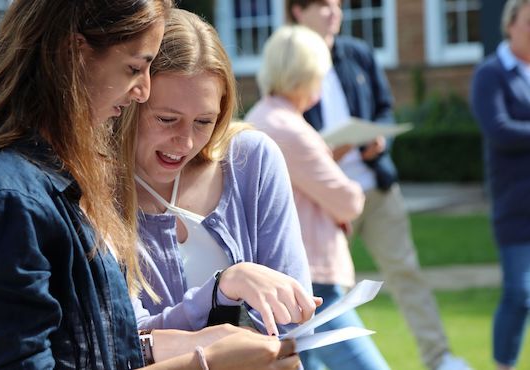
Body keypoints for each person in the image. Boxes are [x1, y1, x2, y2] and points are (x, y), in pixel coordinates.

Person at [0, 0, 302, 369]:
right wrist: (205, 361)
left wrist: (204, 340)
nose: (142, 89)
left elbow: (102, 348)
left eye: (204, 121)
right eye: (133, 68)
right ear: (76, 56)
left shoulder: (59, 179)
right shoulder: (10, 199)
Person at [286, 1, 473, 370]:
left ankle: (441, 359)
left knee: (406, 273)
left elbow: (385, 107)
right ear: (297, 11)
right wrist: (324, 154)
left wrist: (380, 140)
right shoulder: (290, 62)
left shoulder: (357, 53)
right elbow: (288, 131)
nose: (334, 12)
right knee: (325, 290)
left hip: (376, 186)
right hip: (325, 200)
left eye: (337, 5)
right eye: (324, 5)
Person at [114, 8, 319, 338]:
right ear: (129, 101)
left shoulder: (251, 159)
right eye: (166, 119)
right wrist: (224, 289)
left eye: (204, 122)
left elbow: (293, 319)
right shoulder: (94, 184)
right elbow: (127, 341)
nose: (185, 141)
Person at [244, 24, 389, 370]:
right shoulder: (288, 128)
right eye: (320, 75)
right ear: (305, 75)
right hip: (311, 277)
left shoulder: (262, 118)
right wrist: (335, 164)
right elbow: (348, 200)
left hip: (289, 273)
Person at [470, 1, 530, 369]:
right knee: (520, 292)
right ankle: (503, 364)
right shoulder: (491, 73)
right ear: (510, 25)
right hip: (516, 203)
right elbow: (498, 129)